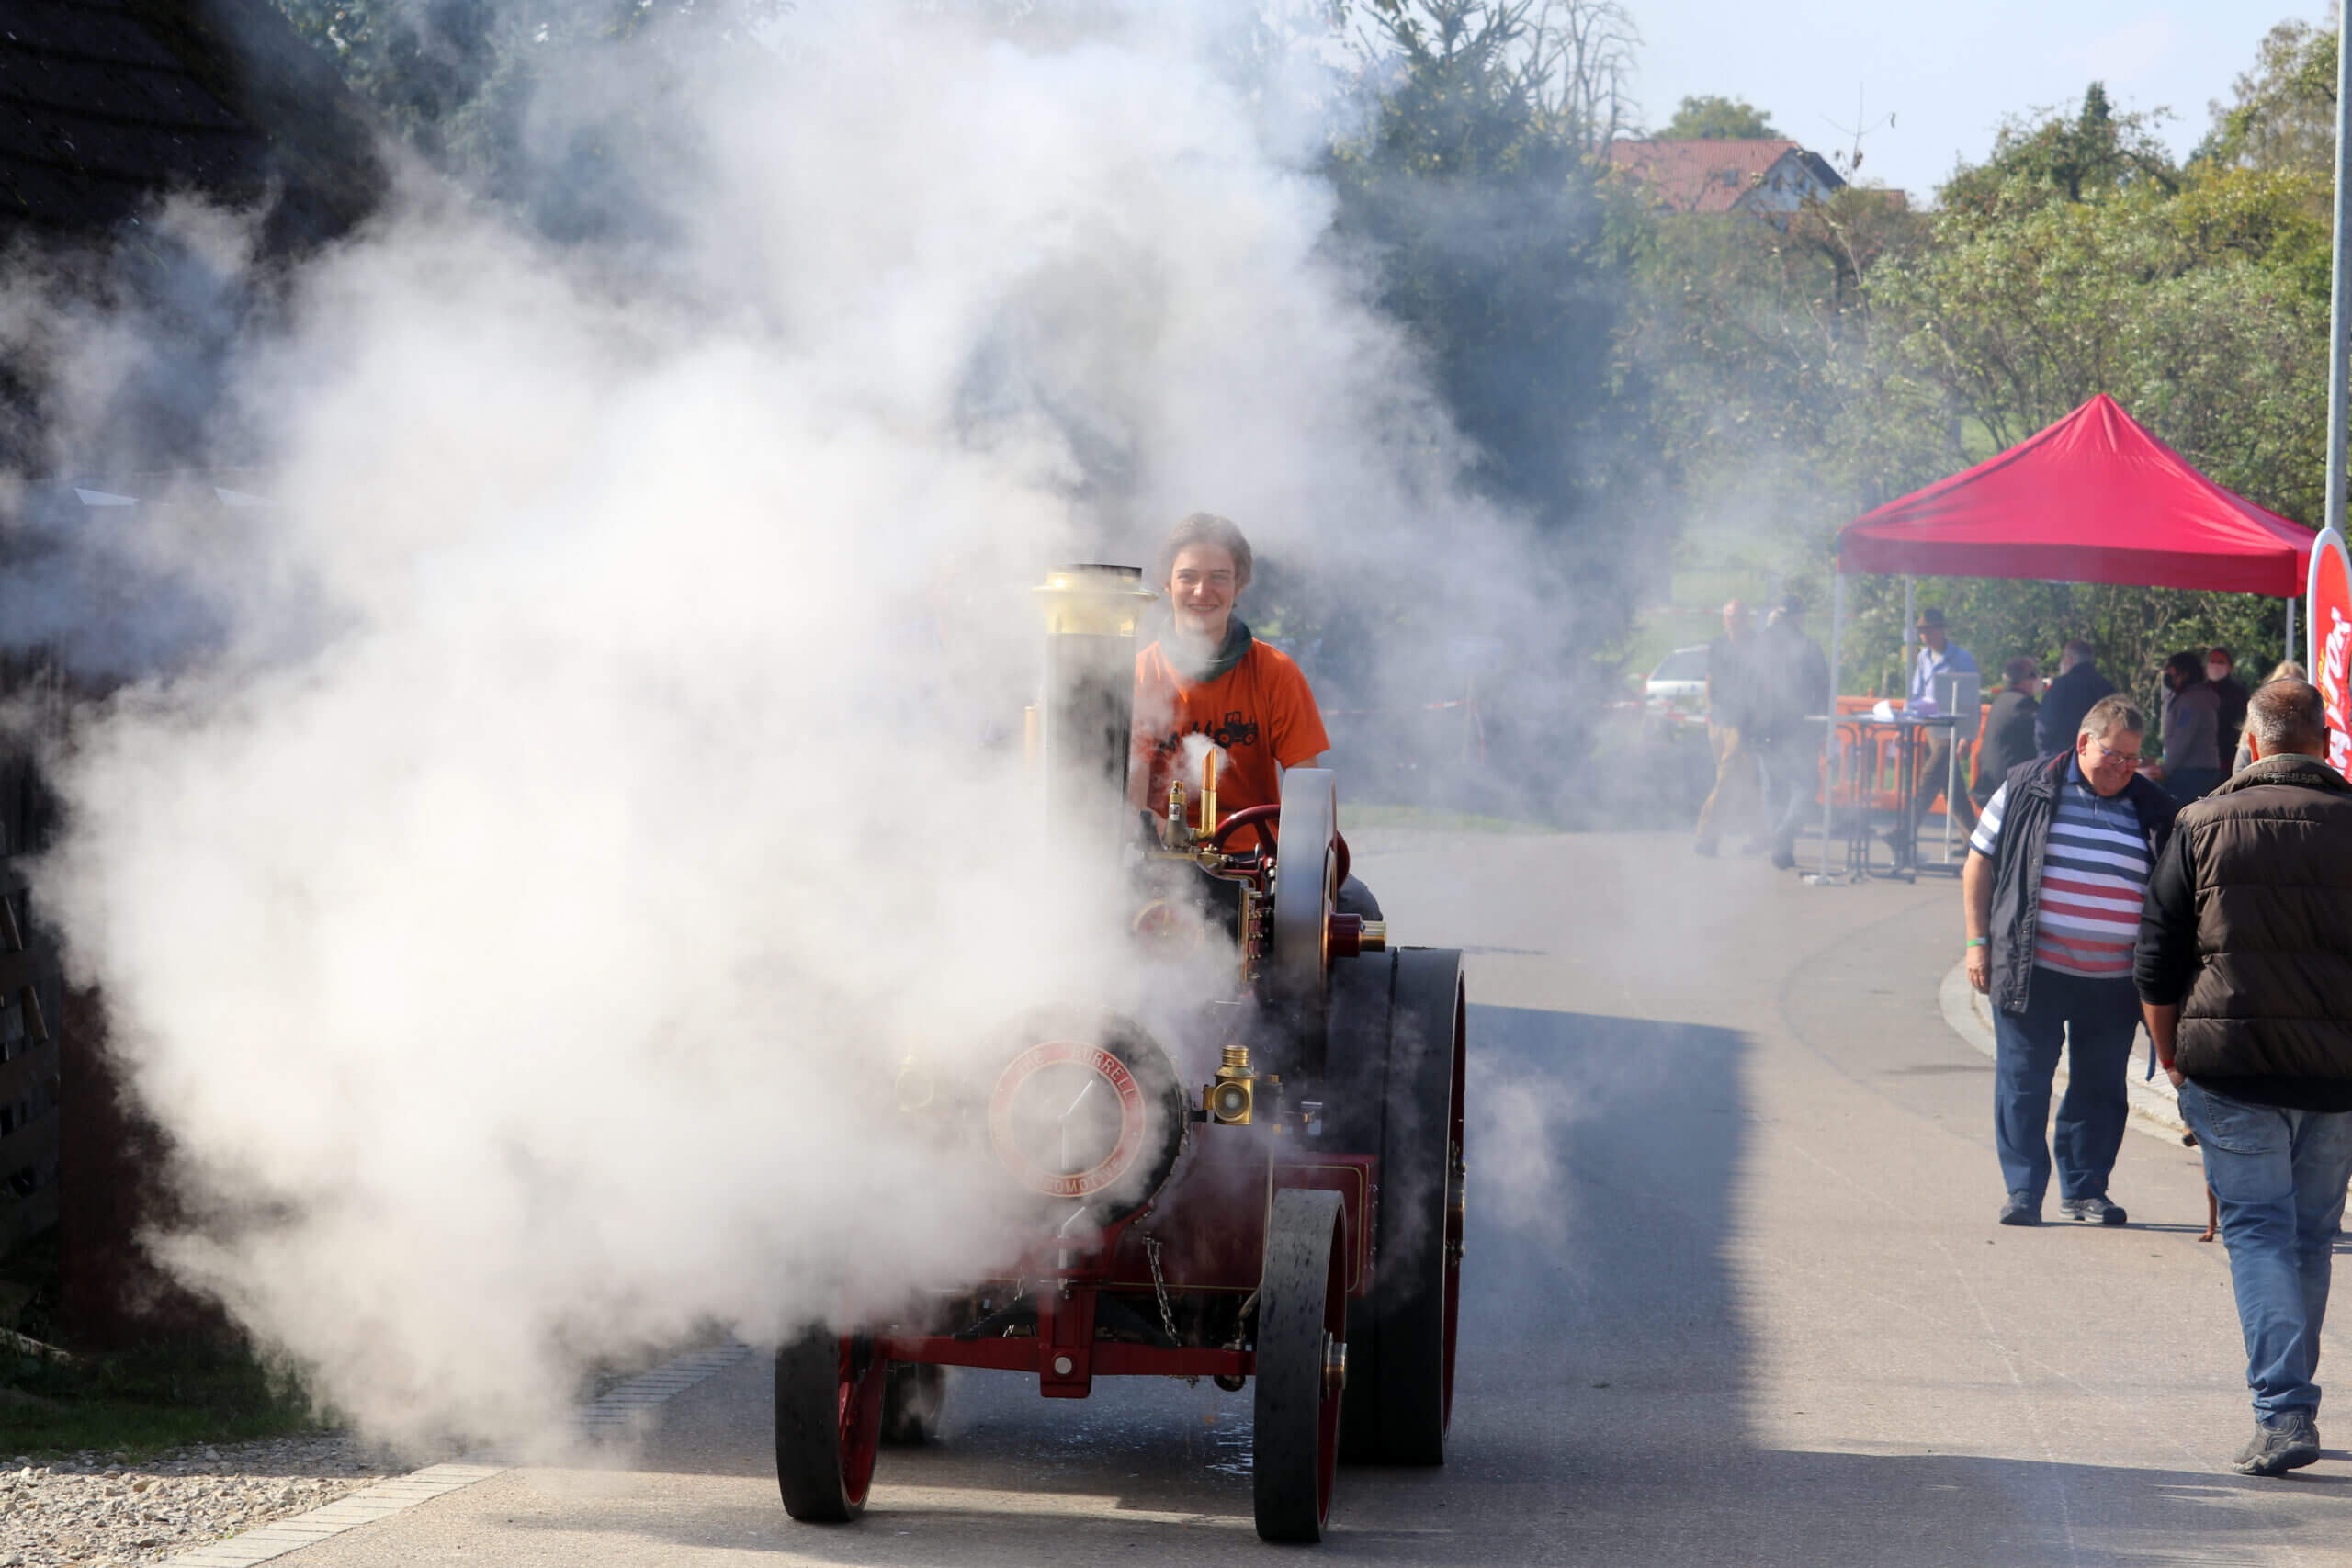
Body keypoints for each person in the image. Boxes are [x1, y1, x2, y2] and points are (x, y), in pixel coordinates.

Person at [2135, 679, 2352, 1477]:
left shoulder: (2199, 822)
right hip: (2336, 1076)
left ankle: (2283, 1410)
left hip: (2229, 1069)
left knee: (2258, 1230)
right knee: (2309, 1236)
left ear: (2252, 744)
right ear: (2324, 743)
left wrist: (2169, 1053)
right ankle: (2291, 1400)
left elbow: (2155, 954)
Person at [1962, 694, 2177, 1227]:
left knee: (2100, 1088)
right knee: (2024, 1081)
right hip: (2032, 966)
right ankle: (2023, 1190)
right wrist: (1976, 943)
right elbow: (1977, 864)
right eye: (2112, 754)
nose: (2122, 768)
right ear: (2083, 742)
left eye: (2132, 759)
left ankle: (2085, 1190)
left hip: (2113, 981)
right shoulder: (2025, 786)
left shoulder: (2154, 806)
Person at [1128, 513, 1375, 914]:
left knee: (1356, 911)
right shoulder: (1140, 674)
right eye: (1188, 576)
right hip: (1163, 860)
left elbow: (1308, 789)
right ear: (1166, 583)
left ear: (1240, 585)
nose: (1201, 590)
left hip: (1258, 864)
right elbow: (1133, 786)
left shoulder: (1275, 673)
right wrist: (1150, 832)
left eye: (1219, 576)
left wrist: (1306, 866)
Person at [1751, 598, 1829, 870]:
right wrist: (1821, 725)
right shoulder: (1807, 646)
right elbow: (1823, 687)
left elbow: (1745, 687)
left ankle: (1780, 850)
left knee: (1774, 791)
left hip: (1764, 729)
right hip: (1798, 729)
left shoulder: (1759, 645)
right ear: (1797, 617)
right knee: (1806, 787)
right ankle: (1783, 835)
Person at [1897, 605, 1979, 850]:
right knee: (1952, 787)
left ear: (1942, 630)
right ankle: (1976, 843)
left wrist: (1968, 736)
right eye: (1921, 632)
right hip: (1931, 727)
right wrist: (1902, 725)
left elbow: (1971, 699)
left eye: (1929, 631)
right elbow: (1915, 693)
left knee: (1929, 777)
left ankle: (1903, 832)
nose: (1925, 636)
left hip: (1952, 727)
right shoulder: (1922, 657)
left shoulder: (1962, 658)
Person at [1693, 599, 1760, 858]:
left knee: (1726, 777)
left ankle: (1706, 837)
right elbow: (1709, 679)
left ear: (1748, 620)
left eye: (1741, 616)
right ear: (1725, 620)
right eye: (1731, 617)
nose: (1736, 621)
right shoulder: (1717, 645)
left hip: (1742, 723)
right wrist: (1710, 711)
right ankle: (1760, 835)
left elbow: (1762, 682)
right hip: (1719, 721)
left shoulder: (1756, 646)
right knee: (1741, 781)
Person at [2149, 649, 2222, 804]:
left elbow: (2182, 739)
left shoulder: (2191, 702)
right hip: (2199, 770)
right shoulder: (2193, 697)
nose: (2168, 675)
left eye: (2171, 671)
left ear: (2185, 673)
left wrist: (2165, 770)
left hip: (2192, 774)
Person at [1969, 657, 2040, 813]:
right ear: (2024, 680)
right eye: (2033, 674)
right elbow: (2044, 732)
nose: (2037, 679)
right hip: (2006, 784)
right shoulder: (2022, 704)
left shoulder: (2003, 699)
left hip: (1991, 780)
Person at [2036, 640, 2115, 760]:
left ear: (2068, 659)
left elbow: (2043, 730)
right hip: (2098, 761)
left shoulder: (2059, 687)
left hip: (2062, 762)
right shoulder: (2107, 688)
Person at [2233, 661, 2309, 774]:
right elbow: (2240, 771)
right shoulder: (2256, 722)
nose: (2289, 693)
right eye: (2283, 686)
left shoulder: (2311, 727)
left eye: (2295, 687)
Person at [2208, 647, 2251, 764]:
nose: (2215, 666)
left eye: (2220, 662)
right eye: (2212, 662)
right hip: (2204, 757)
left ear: (2230, 667)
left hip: (2229, 756)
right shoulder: (2200, 691)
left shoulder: (2239, 693)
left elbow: (2241, 723)